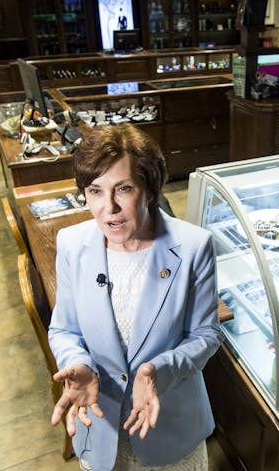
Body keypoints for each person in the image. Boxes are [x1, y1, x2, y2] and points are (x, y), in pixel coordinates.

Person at [49, 124, 223, 471]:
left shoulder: (193, 247)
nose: (108, 207)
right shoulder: (71, 243)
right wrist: (79, 364)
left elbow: (207, 335)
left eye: (123, 189)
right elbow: (65, 330)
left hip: (171, 428)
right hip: (101, 427)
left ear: (150, 189)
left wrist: (158, 371)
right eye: (95, 191)